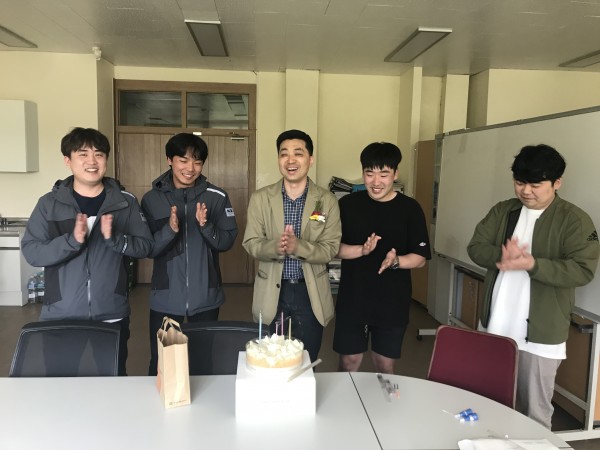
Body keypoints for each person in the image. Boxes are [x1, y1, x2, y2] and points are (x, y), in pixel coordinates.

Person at [467, 144, 599, 429]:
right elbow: (476, 247)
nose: (526, 191)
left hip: (541, 336)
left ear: (557, 183)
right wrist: (502, 255)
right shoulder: (504, 211)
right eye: (519, 182)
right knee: (489, 402)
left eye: (536, 185)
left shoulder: (574, 220)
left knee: (535, 414)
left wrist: (532, 264)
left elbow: (583, 270)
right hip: (495, 326)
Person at [21, 127, 153, 375]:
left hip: (112, 312)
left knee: (112, 377)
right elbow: (32, 252)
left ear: (106, 160)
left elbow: (145, 246)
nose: (92, 161)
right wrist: (71, 241)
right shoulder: (49, 204)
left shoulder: (125, 202)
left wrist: (115, 239)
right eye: (83, 154)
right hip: (61, 314)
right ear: (67, 161)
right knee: (60, 380)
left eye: (99, 154)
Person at [141, 133, 238, 375]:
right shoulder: (152, 199)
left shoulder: (216, 197)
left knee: (203, 361)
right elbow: (147, 248)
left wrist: (206, 227)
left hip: (205, 295)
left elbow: (226, 241)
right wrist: (170, 231)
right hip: (165, 296)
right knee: (162, 362)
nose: (190, 168)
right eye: (183, 160)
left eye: (197, 162)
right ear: (169, 160)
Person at [332, 142, 431, 374]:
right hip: (353, 297)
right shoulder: (347, 205)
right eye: (370, 174)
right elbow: (332, 249)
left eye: (384, 174)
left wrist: (396, 261)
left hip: (392, 301)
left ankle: (387, 398)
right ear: (363, 173)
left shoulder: (410, 209)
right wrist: (362, 250)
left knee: (384, 364)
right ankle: (346, 398)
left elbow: (420, 258)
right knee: (349, 361)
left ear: (395, 174)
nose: (376, 182)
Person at [242, 129, 341, 362]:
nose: (290, 160)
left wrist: (298, 247)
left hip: (310, 292)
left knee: (307, 359)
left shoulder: (326, 200)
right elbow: (251, 243)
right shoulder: (261, 198)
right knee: (271, 357)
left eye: (298, 153)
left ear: (310, 159)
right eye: (284, 153)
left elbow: (330, 248)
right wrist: (274, 247)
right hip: (273, 291)